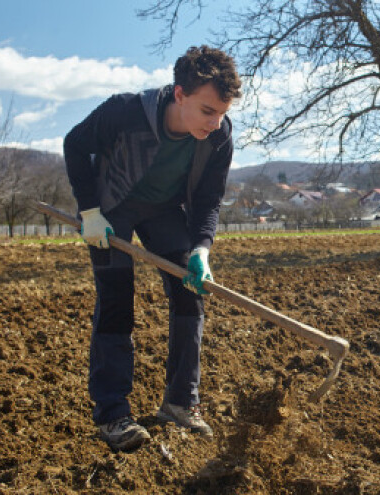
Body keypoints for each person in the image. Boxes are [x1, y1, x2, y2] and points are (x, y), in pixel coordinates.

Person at [63, 45, 241, 451]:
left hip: (163, 210)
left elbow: (209, 199)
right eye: (207, 111)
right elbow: (75, 143)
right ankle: (113, 414)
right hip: (111, 209)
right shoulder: (125, 112)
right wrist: (90, 211)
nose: (215, 123)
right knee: (116, 299)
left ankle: (180, 403)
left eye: (222, 113)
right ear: (180, 94)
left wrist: (201, 249)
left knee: (190, 292)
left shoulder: (219, 137)